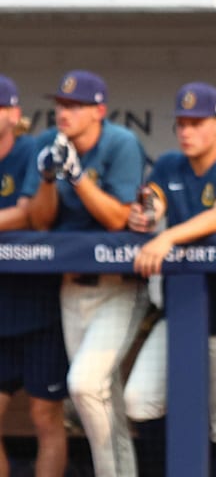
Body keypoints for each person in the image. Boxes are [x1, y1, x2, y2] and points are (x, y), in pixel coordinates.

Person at [124, 82, 216, 476]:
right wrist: (145, 216)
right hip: (180, 312)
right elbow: (152, 198)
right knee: (139, 400)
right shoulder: (170, 163)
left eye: (197, 123)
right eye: (182, 123)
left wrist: (167, 235)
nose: (187, 131)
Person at [23, 70, 147, 477]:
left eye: (75, 106)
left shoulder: (120, 142)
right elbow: (40, 221)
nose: (64, 112)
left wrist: (76, 178)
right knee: (97, 396)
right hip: (70, 288)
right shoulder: (47, 143)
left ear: (99, 111)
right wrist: (45, 180)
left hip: (117, 288)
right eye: (61, 104)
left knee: (84, 385)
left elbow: (117, 219)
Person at [0, 75, 68, 477]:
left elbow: (32, 214)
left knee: (45, 417)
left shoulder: (33, 148)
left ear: (13, 113)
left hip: (38, 307)